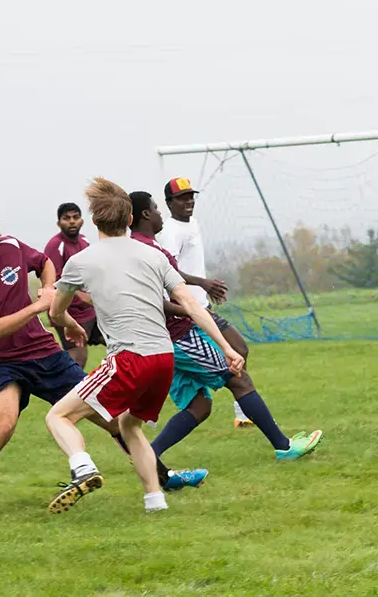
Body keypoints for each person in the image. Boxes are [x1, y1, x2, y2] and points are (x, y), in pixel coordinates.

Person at [0, 199, 204, 520]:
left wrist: (49, 289)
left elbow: (45, 263)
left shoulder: (9, 246)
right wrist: (40, 306)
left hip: (45, 353)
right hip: (1, 363)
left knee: (113, 418)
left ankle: (163, 478)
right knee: (2, 425)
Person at [45, 178, 245, 515]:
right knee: (129, 425)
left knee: (59, 416)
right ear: (129, 220)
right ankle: (155, 500)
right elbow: (194, 305)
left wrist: (73, 326)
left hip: (128, 358)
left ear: (94, 222)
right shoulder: (154, 256)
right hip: (163, 360)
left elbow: (55, 312)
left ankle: (83, 468)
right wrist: (227, 349)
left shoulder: (81, 261)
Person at [130, 190, 323, 463]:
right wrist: (189, 309)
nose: (160, 213)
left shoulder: (137, 248)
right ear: (146, 214)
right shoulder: (148, 251)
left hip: (161, 339)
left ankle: (148, 455)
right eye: (156, 208)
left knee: (200, 405)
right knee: (239, 379)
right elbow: (155, 302)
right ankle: (284, 447)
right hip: (179, 336)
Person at [156, 177, 255, 428]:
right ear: (169, 203)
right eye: (181, 197)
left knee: (239, 350)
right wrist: (202, 283)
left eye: (190, 196)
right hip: (188, 311)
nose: (188, 201)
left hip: (202, 306)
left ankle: (243, 412)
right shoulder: (169, 232)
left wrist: (204, 288)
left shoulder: (192, 223)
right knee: (232, 361)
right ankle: (245, 412)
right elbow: (169, 271)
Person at [42, 202, 105, 368]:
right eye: (66, 218)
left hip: (90, 311)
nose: (71, 221)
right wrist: (82, 296)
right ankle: (63, 392)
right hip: (69, 313)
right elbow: (59, 282)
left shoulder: (84, 241)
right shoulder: (56, 246)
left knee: (118, 341)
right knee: (78, 360)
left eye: (75, 217)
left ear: (82, 221)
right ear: (59, 223)